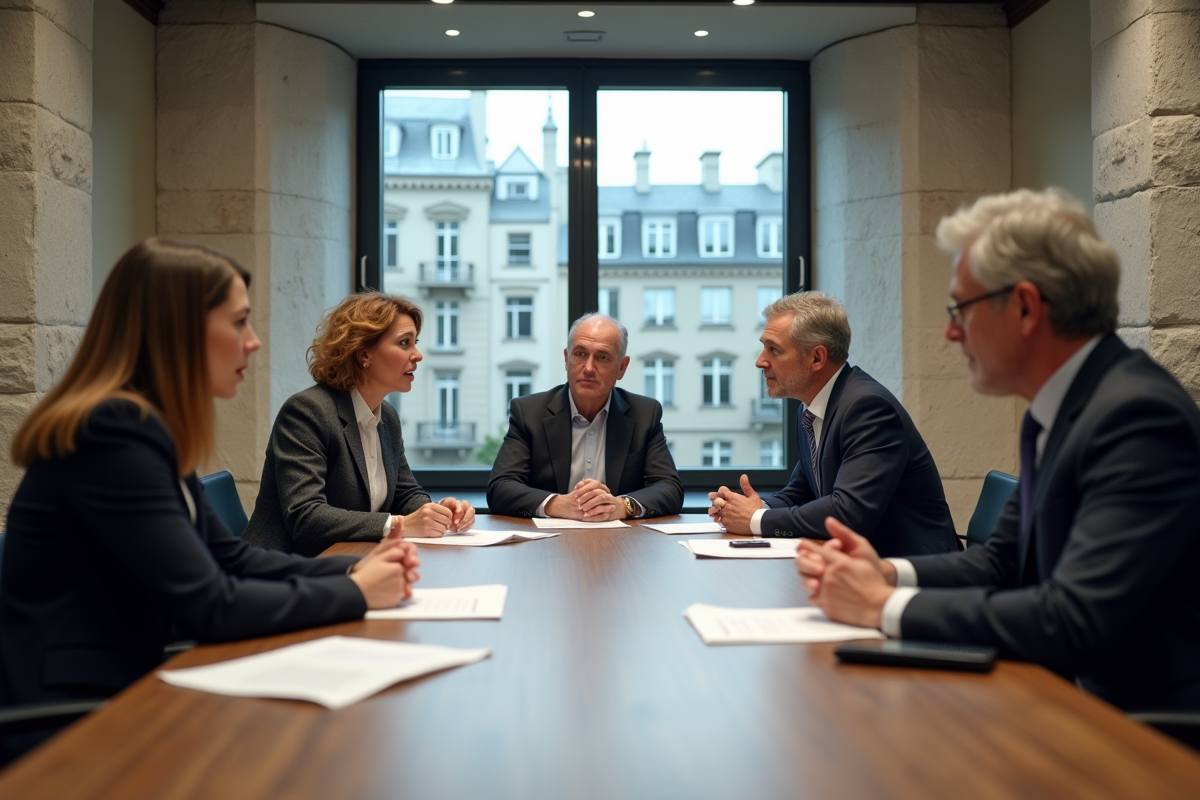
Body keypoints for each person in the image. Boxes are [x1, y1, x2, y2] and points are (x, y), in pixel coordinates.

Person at [796, 189, 1200, 712]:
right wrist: (887, 574)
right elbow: (1000, 562)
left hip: (1141, 733)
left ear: (1026, 307)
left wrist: (884, 606)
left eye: (960, 308)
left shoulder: (1136, 417)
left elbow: (1072, 621)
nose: (948, 331)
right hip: (1061, 698)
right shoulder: (1061, 407)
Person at [0, 239, 420, 713]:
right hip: (77, 716)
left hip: (128, 689)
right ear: (178, 328)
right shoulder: (111, 436)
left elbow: (233, 558)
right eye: (239, 321)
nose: (254, 340)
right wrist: (353, 592)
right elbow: (212, 605)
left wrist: (351, 568)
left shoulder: (144, 427)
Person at [708, 292, 959, 558]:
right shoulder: (811, 407)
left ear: (817, 358)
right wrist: (750, 508)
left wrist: (756, 520)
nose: (760, 361)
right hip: (861, 567)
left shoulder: (868, 408)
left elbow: (847, 511)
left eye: (774, 349)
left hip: (917, 575)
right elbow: (800, 492)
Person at [242, 294, 474, 557]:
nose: (418, 355)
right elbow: (305, 516)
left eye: (415, 343)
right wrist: (399, 524)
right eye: (404, 343)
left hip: (348, 561)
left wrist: (438, 512)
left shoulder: (387, 417)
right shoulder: (307, 412)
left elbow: (405, 493)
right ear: (364, 355)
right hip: (281, 571)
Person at [487, 313, 683, 520]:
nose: (589, 368)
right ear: (566, 358)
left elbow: (670, 488)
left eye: (602, 357)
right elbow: (500, 487)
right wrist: (557, 504)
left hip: (620, 542)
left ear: (621, 367)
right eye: (580, 354)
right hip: (548, 544)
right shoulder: (529, 412)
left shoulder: (644, 414)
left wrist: (621, 505)